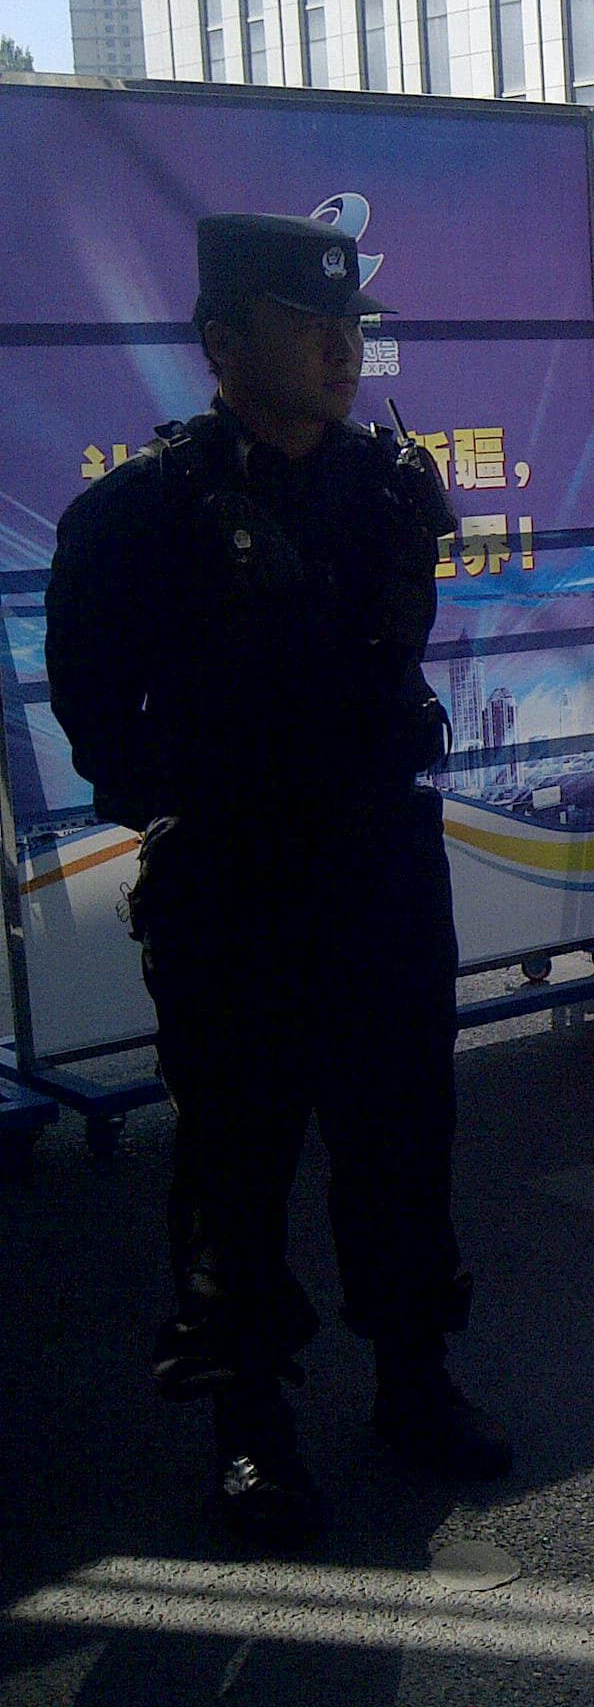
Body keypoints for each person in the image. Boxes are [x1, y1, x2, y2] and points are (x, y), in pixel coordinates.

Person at [46, 214, 509, 1547]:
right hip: (236, 895)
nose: (338, 346)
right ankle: (251, 1432)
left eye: (351, 324)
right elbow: (97, 722)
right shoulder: (140, 515)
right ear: (220, 343)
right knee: (235, 1173)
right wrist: (225, 779)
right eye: (306, 325)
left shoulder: (388, 490)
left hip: (381, 880)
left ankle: (415, 1382)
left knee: (403, 1143)